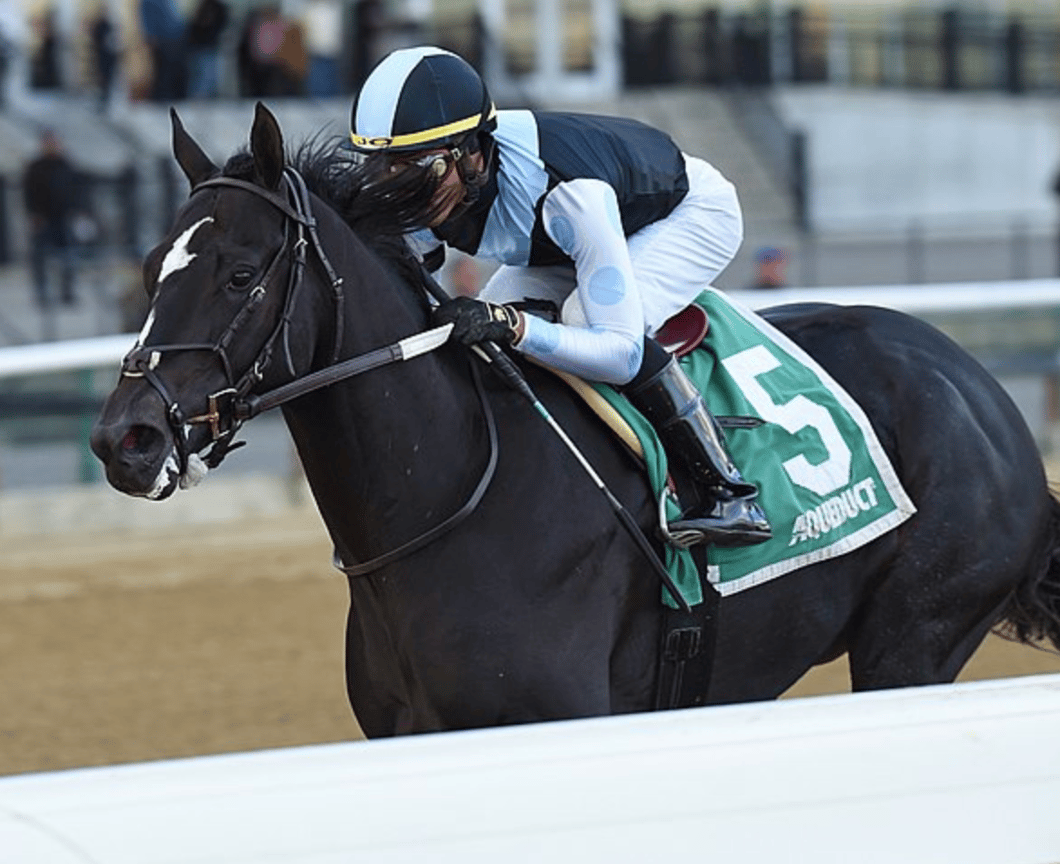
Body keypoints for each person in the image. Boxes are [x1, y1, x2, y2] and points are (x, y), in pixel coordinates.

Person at [347, 46, 770, 547]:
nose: (403, 192)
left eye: (424, 170)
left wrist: (514, 326)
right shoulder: (438, 177)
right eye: (386, 169)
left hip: (686, 216)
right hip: (560, 242)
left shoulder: (571, 195)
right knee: (486, 319)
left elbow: (621, 352)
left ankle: (728, 491)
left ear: (473, 153)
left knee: (577, 320)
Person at [23, 129, 77, 307]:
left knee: (68, 256)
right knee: (40, 257)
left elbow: (75, 191)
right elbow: (29, 193)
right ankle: (42, 291)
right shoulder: (35, 167)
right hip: (43, 219)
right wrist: (34, 214)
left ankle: (67, 291)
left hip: (64, 218)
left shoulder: (66, 165)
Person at [186, 0, 228, 98]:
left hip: (211, 48)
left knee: (210, 78)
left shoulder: (218, 8)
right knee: (200, 78)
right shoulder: (203, 7)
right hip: (200, 48)